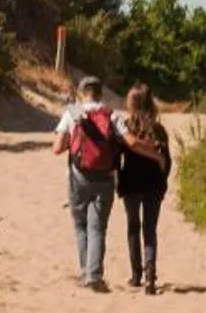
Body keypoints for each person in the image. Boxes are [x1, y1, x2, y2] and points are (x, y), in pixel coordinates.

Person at [52, 74, 121, 290]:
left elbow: (57, 148)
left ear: (82, 93)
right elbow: (122, 142)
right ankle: (95, 275)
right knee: (97, 228)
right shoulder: (112, 115)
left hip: (78, 177)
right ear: (100, 93)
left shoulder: (72, 113)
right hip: (105, 178)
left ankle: (85, 273)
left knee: (81, 225)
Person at [116, 83, 171, 294]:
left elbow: (116, 157)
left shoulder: (125, 127)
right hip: (153, 185)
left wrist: (118, 180)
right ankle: (150, 275)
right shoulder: (158, 131)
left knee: (133, 226)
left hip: (131, 183)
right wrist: (163, 181)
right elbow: (167, 161)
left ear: (132, 103)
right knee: (150, 229)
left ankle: (136, 274)